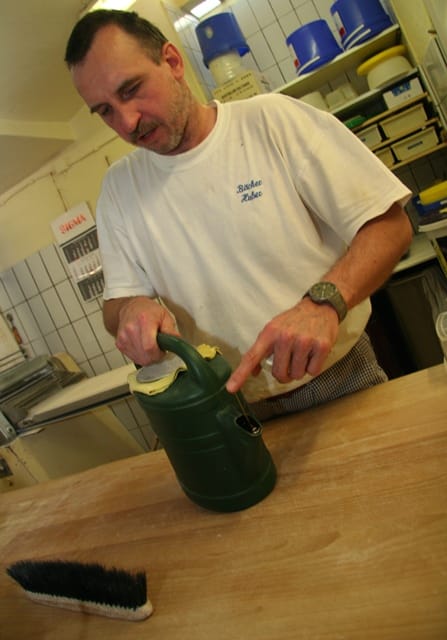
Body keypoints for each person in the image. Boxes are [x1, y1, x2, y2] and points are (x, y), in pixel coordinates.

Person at [65, 9, 413, 419]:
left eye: (131, 89)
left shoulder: (272, 121)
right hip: (229, 404)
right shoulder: (120, 189)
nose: (127, 122)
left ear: (172, 62)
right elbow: (118, 301)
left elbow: (390, 227)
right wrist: (130, 310)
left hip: (338, 376)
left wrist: (322, 305)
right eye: (105, 111)